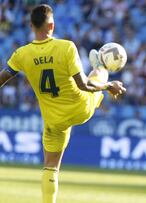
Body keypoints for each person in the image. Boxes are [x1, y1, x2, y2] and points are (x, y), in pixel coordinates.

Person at [0, 4, 126, 203]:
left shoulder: (21, 54)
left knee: (50, 166)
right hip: (80, 107)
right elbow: (84, 85)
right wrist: (109, 85)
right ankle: (101, 63)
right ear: (52, 26)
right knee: (98, 74)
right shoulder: (67, 47)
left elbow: (2, 79)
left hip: (54, 120)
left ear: (31, 25)